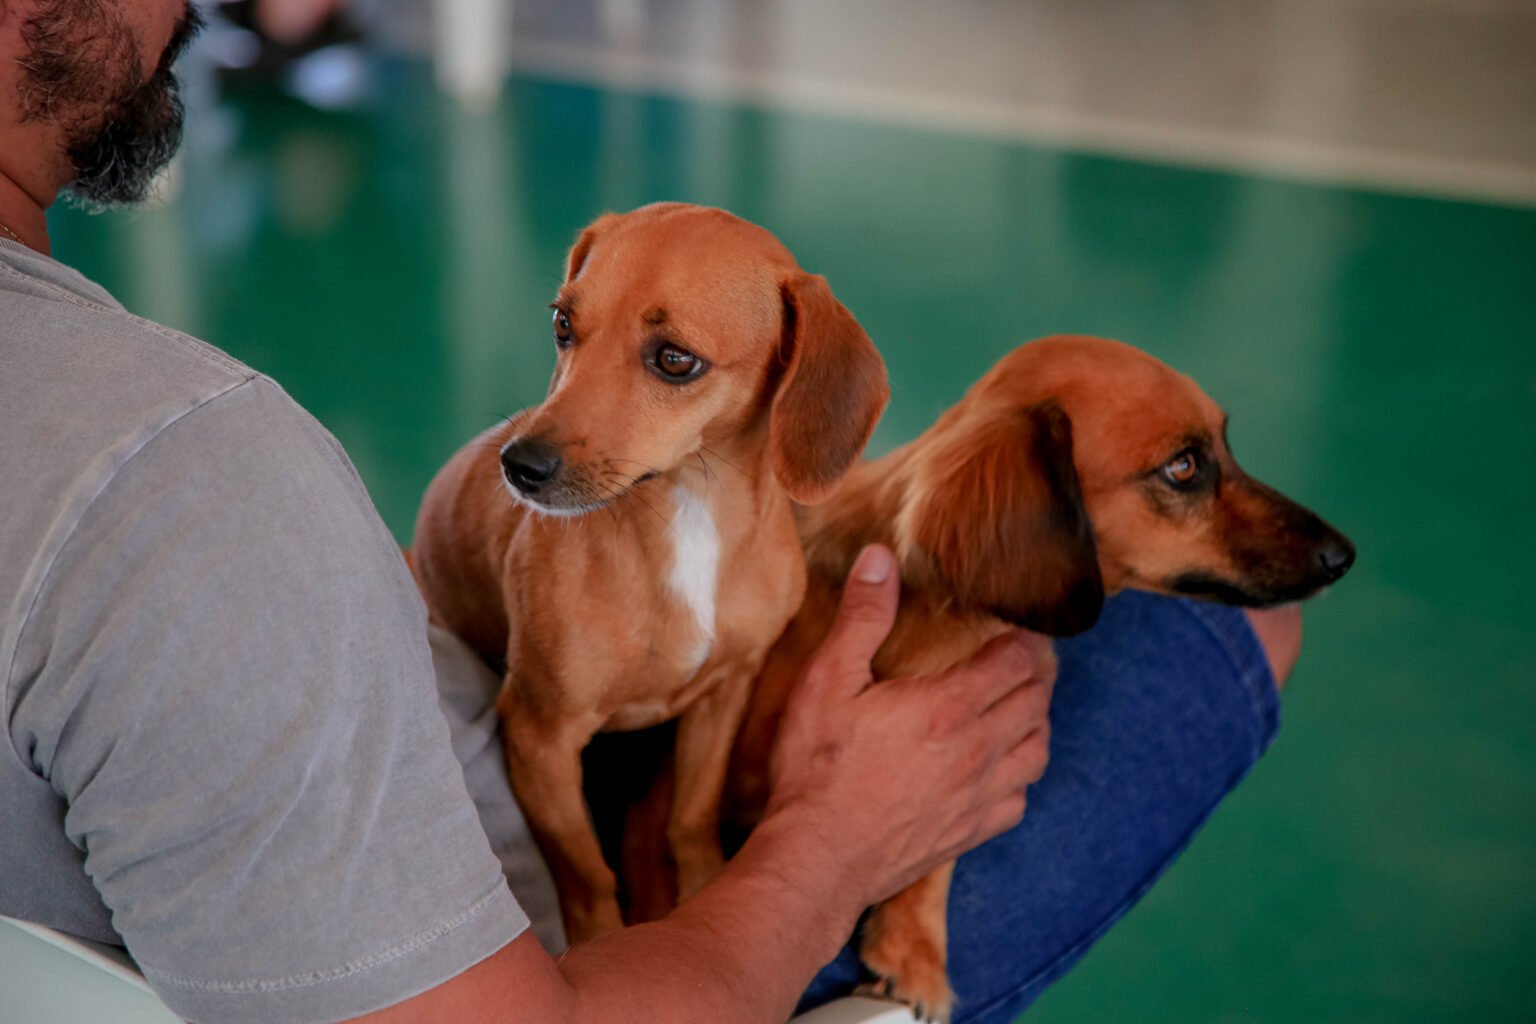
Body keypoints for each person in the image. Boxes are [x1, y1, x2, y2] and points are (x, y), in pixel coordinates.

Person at [0, 2, 1302, 1022]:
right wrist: (832, 840)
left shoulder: (150, 478)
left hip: (381, 823)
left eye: (663, 361)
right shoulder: (183, 470)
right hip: (597, 961)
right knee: (1255, 621)